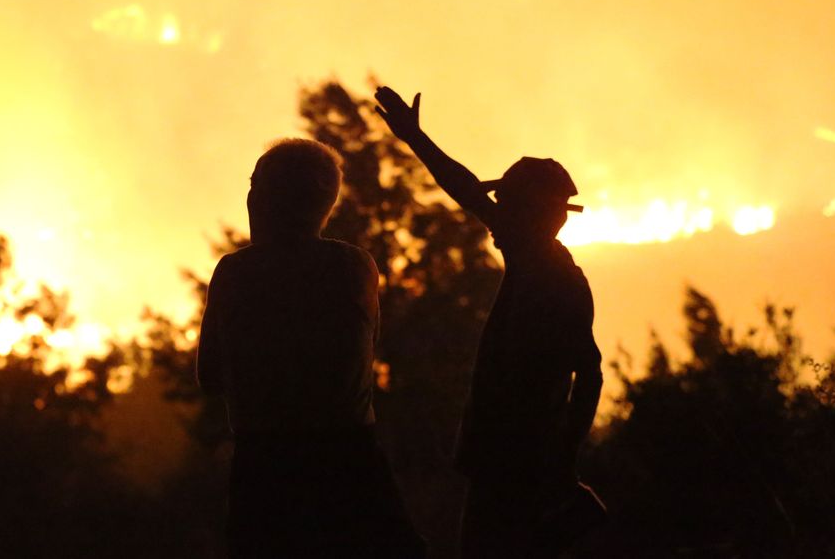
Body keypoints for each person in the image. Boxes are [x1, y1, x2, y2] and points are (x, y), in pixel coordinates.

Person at [374, 87, 605, 558]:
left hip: (512, 463)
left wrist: (562, 457)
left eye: (511, 206)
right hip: (519, 461)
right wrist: (563, 459)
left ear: (530, 213)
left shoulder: (544, 270)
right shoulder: (551, 270)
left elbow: (590, 374)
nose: (497, 217)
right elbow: (591, 374)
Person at [196, 138, 426, 559]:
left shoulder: (235, 274)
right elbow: (364, 349)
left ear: (267, 198)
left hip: (264, 470)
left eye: (256, 184)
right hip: (353, 462)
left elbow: (209, 377)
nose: (250, 196)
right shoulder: (356, 266)